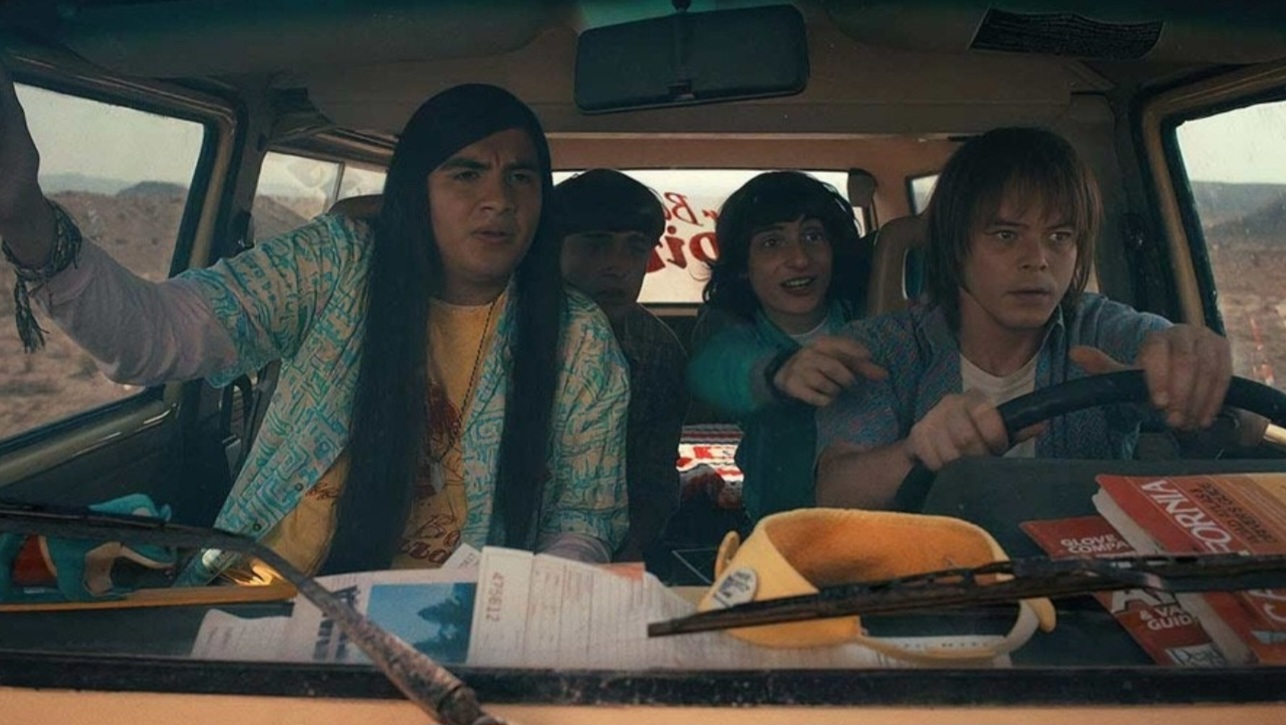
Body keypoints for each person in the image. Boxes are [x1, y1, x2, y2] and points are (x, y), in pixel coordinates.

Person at [0, 65, 630, 585]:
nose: (499, 200)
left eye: (521, 177)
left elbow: (583, 517)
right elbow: (152, 336)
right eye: (467, 174)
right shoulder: (336, 264)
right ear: (416, 192)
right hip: (253, 592)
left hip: (443, 626)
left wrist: (527, 607)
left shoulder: (578, 340)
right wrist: (25, 215)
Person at [815, 126, 1237, 511]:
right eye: (1006, 235)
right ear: (955, 247)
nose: (1037, 260)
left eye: (1059, 236)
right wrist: (915, 451)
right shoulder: (882, 349)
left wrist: (1194, 370)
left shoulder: (1099, 329)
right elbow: (835, 493)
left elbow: (1245, 425)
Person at [686, 171, 883, 523]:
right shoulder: (732, 329)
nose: (800, 259)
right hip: (781, 523)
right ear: (743, 266)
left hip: (878, 519)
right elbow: (715, 369)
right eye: (772, 243)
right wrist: (780, 373)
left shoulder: (876, 317)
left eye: (812, 236)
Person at [554, 168, 687, 562]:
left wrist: (630, 553)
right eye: (596, 244)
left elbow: (653, 479)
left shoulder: (658, 349)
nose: (617, 265)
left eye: (635, 248)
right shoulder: (506, 328)